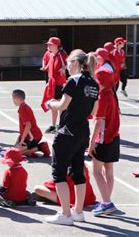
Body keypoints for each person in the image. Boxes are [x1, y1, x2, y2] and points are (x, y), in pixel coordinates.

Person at [45, 49, 98, 226]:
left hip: (67, 131)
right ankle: (78, 212)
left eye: (68, 63)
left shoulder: (73, 81)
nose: (66, 66)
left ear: (75, 63)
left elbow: (62, 105)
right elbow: (92, 112)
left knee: (58, 171)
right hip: (83, 130)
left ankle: (65, 214)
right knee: (77, 171)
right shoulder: (94, 83)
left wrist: (51, 103)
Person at [89, 68, 120, 216]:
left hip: (103, 139)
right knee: (108, 171)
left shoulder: (103, 97)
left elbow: (98, 122)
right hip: (114, 137)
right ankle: (106, 200)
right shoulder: (112, 94)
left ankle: (106, 203)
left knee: (96, 171)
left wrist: (91, 142)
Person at [41, 37, 68, 134]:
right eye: (48, 44)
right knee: (52, 104)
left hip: (60, 84)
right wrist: (45, 67)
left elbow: (70, 63)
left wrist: (64, 68)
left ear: (56, 45)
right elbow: (49, 63)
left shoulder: (62, 55)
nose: (48, 46)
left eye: (50, 44)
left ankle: (61, 125)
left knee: (60, 105)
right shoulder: (52, 55)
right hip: (52, 83)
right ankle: (53, 125)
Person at [12, 89, 50, 157]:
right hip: (31, 136)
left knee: (17, 154)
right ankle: (31, 148)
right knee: (13, 151)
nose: (13, 100)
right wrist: (19, 140)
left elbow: (28, 125)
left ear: (18, 99)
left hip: (34, 137)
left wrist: (21, 141)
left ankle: (41, 147)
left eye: (13, 98)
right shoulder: (24, 106)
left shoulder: (22, 109)